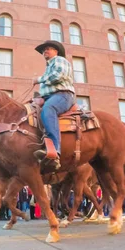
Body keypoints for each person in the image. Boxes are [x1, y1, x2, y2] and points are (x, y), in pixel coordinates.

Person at [31, 40, 76, 170]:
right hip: (50, 96)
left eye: (49, 48)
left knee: (48, 109)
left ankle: (54, 150)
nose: (45, 51)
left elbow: (58, 76)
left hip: (63, 95)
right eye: (44, 50)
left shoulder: (59, 60)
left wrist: (38, 79)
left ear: (56, 51)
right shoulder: (48, 67)